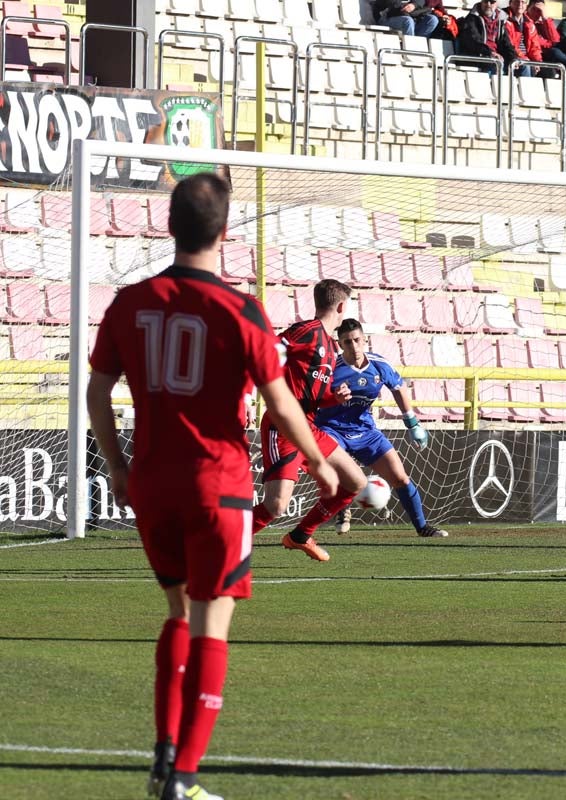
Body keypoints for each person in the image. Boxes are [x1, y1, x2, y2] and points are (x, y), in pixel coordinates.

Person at [87, 173, 339, 800]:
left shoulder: (128, 302)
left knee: (177, 613)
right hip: (218, 489)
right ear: (225, 233)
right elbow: (280, 404)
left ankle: (163, 759)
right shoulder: (240, 310)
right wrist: (319, 462)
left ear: (169, 226)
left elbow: (96, 390)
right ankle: (186, 779)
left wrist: (118, 467)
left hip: (152, 484)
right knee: (212, 627)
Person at [250, 279, 368, 562]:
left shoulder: (330, 345)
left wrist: (334, 397)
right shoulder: (307, 331)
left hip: (308, 428)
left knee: (355, 482)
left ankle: (300, 535)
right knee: (276, 505)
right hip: (284, 426)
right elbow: (270, 349)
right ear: (341, 306)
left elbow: (316, 393)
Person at [316, 319, 449, 539]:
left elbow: (398, 388)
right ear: (340, 345)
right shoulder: (330, 369)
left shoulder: (379, 365)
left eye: (357, 340)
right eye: (347, 342)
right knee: (343, 472)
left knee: (400, 478)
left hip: (366, 431)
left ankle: (423, 528)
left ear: (365, 339)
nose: (354, 346)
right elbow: (312, 399)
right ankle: (343, 507)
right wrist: (332, 398)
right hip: (332, 429)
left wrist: (412, 423)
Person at [458, 0, 516, 72]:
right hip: (477, 56)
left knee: (523, 67)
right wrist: (490, 53)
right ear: (481, 2)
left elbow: (506, 43)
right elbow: (473, 41)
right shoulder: (472, 19)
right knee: (497, 64)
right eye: (485, 1)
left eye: (492, 2)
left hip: (494, 56)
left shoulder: (500, 20)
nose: (488, 4)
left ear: (496, 3)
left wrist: (513, 58)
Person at [502, 0, 540, 77]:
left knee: (549, 70)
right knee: (526, 66)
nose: (520, 4)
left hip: (525, 59)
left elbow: (535, 46)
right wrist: (523, 58)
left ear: (527, 4)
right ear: (510, 3)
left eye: (523, 2)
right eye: (517, 1)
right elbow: (509, 44)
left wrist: (537, 62)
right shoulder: (504, 18)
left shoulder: (529, 22)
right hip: (510, 57)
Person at [372, 0, 441, 38]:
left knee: (432, 20)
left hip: (408, 17)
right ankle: (410, 49)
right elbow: (390, 3)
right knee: (408, 21)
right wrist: (404, 7)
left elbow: (421, 1)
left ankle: (418, 45)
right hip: (386, 16)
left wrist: (414, 5)